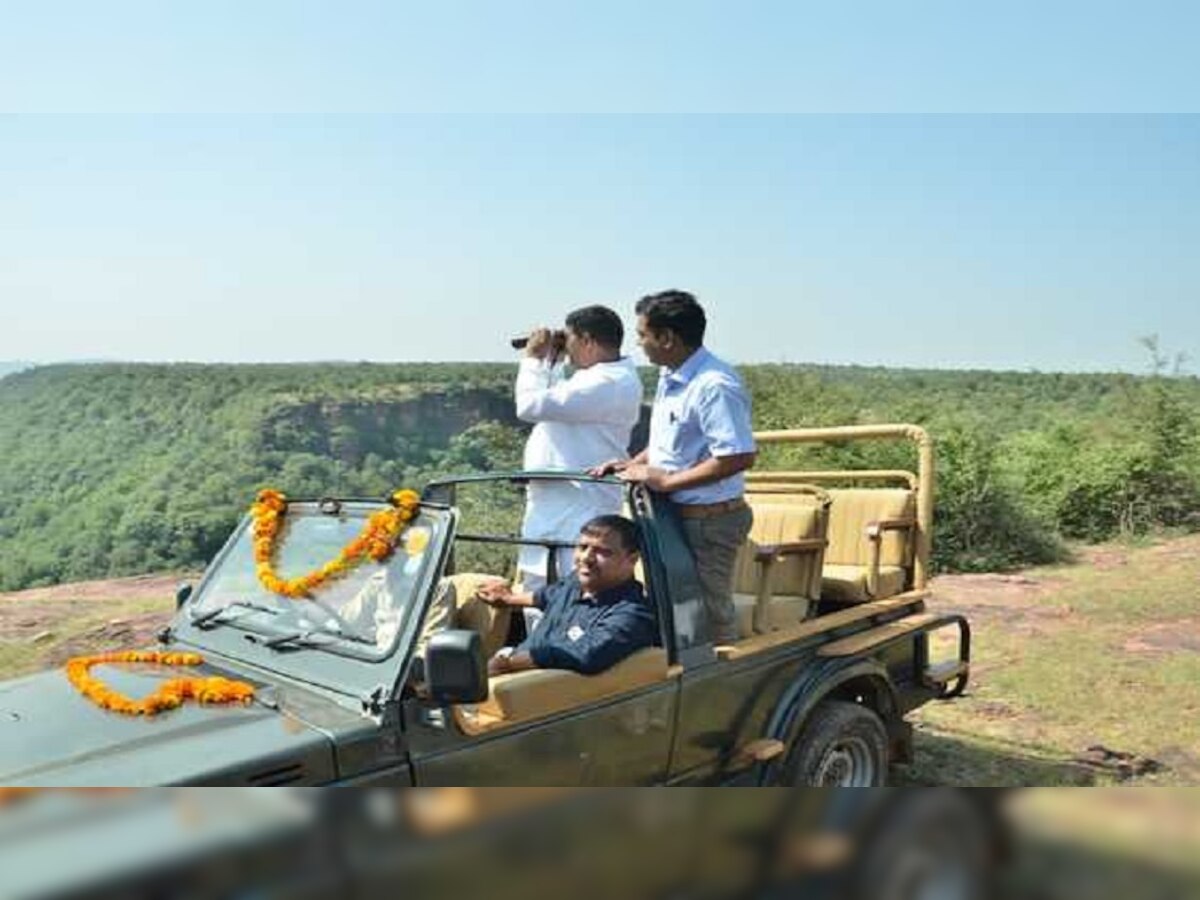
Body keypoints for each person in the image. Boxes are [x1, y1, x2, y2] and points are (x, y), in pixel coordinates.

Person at [591, 290, 756, 645]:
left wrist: (667, 482)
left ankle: (722, 685)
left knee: (708, 611)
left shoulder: (714, 385)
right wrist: (632, 464)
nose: (639, 343)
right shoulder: (673, 374)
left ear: (667, 338)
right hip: (671, 514)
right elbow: (672, 440)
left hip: (708, 520)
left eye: (643, 335)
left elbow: (738, 455)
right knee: (673, 605)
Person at [513, 305, 643, 593]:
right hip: (552, 507)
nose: (567, 348)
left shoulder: (611, 382)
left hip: (578, 509)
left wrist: (534, 360)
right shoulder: (593, 378)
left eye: (569, 340)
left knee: (573, 595)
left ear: (587, 340)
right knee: (536, 597)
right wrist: (554, 361)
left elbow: (531, 405)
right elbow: (554, 403)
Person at [478, 515, 659, 676]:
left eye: (602, 551)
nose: (586, 558)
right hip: (512, 671)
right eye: (582, 547)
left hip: (538, 692)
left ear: (632, 559)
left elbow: (584, 654)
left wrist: (507, 664)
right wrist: (507, 599)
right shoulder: (575, 583)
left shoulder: (631, 615)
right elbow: (547, 595)